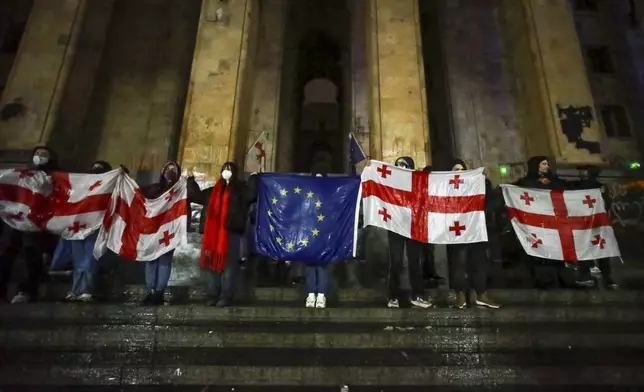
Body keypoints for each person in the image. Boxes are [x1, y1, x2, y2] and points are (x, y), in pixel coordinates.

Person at [188, 162, 257, 307]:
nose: (227, 172)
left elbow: (251, 195)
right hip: (212, 234)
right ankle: (212, 294)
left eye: (230, 169)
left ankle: (225, 295)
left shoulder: (240, 189)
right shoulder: (213, 191)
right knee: (211, 264)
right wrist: (190, 181)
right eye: (224, 169)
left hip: (230, 232)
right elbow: (197, 196)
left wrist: (253, 179)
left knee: (229, 266)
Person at [0, 146, 59, 303]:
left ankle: (26, 291)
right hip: (14, 221)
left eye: (44, 154)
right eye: (37, 154)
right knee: (5, 256)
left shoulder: (55, 177)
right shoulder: (20, 174)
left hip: (35, 224)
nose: (40, 156)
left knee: (30, 257)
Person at [52, 160, 113, 302]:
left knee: (90, 261)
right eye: (94, 168)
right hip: (78, 227)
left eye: (100, 169)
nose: (96, 171)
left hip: (96, 228)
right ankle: (76, 290)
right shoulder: (81, 187)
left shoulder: (110, 187)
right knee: (78, 261)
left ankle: (87, 289)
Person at [514, 156, 575, 289]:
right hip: (535, 223)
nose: (546, 166)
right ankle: (543, 280)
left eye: (547, 164)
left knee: (555, 249)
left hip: (553, 222)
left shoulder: (555, 181)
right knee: (539, 251)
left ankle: (559, 278)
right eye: (543, 164)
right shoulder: (526, 182)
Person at [446, 159, 500, 309]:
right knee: (459, 263)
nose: (459, 172)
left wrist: (484, 180)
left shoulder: (477, 183)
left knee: (479, 262)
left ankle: (481, 294)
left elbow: (491, 199)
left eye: (462, 169)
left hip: (476, 229)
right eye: (455, 169)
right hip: (457, 230)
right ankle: (460, 295)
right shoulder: (446, 187)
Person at [386, 156, 433, 309]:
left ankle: (417, 294)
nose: (401, 168)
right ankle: (393, 296)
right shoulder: (391, 183)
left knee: (415, 261)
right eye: (398, 165)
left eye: (404, 165)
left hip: (413, 226)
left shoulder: (417, 184)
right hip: (395, 226)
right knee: (396, 261)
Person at [140, 161, 182, 305]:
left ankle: (159, 292)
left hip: (170, 230)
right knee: (151, 260)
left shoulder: (181, 189)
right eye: (168, 169)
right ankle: (150, 290)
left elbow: (195, 195)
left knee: (164, 261)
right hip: (153, 229)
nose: (170, 172)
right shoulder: (154, 188)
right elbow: (136, 193)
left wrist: (190, 183)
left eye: (173, 169)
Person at [574, 165, 618, 289]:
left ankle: (601, 276)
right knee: (590, 248)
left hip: (594, 223)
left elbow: (606, 204)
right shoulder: (579, 186)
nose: (580, 172)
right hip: (587, 223)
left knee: (598, 248)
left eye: (583, 170)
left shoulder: (598, 187)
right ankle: (594, 275)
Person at [304, 172, 332, 308]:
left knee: (322, 265)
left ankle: (321, 294)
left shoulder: (329, 197)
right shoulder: (307, 198)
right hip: (309, 235)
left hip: (324, 235)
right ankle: (311, 293)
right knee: (310, 266)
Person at [420, 165, 444, 285]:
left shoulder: (435, 188)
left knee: (430, 249)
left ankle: (431, 271)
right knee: (424, 250)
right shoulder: (421, 188)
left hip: (431, 222)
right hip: (422, 223)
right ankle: (425, 273)